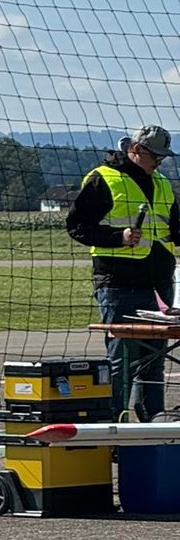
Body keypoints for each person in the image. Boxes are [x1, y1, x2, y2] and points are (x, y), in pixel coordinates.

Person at [66, 124, 180, 421]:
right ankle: (115, 423)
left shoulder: (162, 182)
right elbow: (77, 227)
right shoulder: (102, 178)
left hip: (159, 284)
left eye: (163, 157)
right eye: (156, 156)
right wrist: (119, 237)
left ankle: (153, 424)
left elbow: (174, 227)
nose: (160, 162)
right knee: (121, 361)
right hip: (118, 283)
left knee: (153, 361)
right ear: (137, 149)